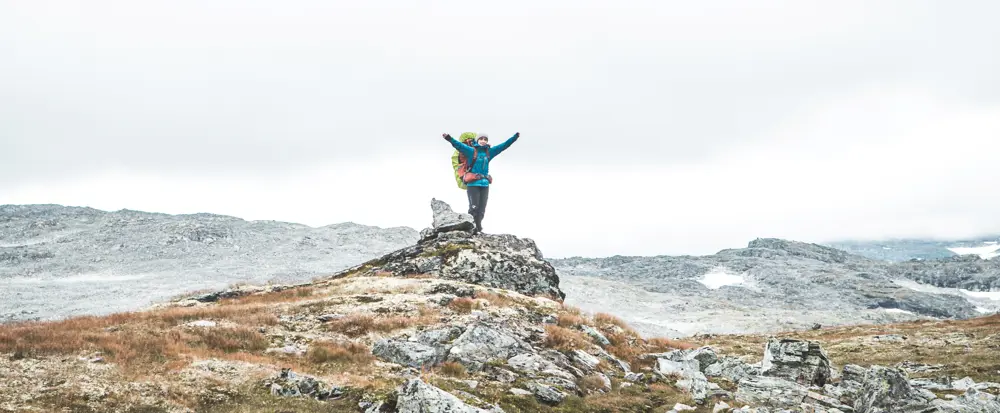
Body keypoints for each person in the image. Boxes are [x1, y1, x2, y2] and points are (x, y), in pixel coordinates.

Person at [442, 131, 520, 234]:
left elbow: (503, 146)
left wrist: (515, 137)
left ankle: (478, 229)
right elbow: (459, 145)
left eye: (485, 139)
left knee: (482, 210)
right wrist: (449, 138)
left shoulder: (489, 152)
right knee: (474, 208)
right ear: (477, 140)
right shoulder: (471, 151)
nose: (483, 141)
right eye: (481, 139)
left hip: (485, 184)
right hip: (473, 184)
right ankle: (473, 229)